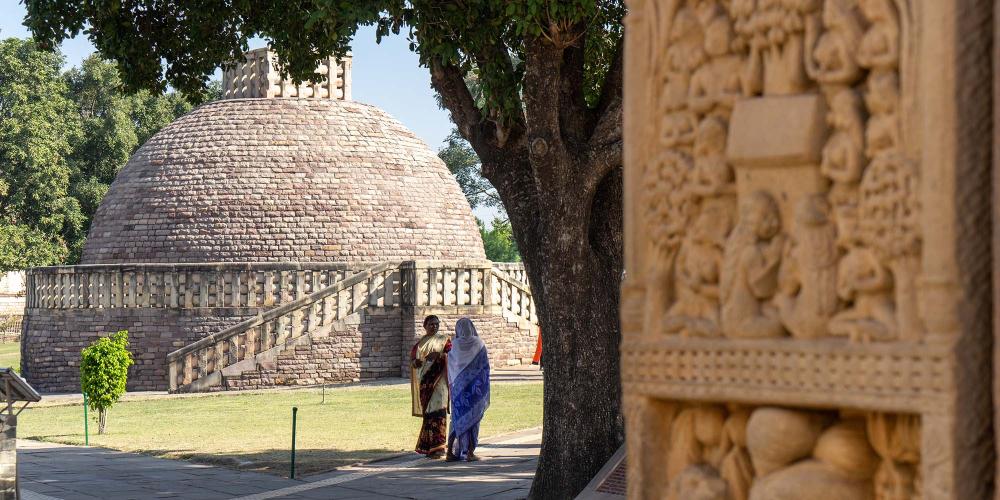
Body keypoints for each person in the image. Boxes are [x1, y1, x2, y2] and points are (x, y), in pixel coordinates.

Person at [446, 318, 491, 462]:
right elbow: (485, 366)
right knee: (473, 419)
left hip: (458, 388)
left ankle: (449, 452)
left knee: (457, 419)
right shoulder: (479, 344)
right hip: (475, 388)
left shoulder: (454, 345)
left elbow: (450, 366)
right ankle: (469, 452)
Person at [410, 315, 451, 458]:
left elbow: (451, 356)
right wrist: (417, 363)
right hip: (425, 383)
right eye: (431, 324)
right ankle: (428, 447)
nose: (434, 326)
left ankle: (439, 448)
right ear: (425, 326)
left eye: (436, 324)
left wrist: (439, 356)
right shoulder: (420, 344)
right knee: (428, 414)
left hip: (440, 383)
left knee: (439, 413)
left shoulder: (444, 340)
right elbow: (414, 361)